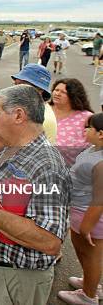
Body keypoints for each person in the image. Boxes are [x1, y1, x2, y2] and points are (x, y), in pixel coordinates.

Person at [0, 85, 71, 305]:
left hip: (9, 281)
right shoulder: (16, 148)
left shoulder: (47, 166)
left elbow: (49, 241)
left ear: (18, 115)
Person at [57, 113, 103, 305]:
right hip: (80, 212)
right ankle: (89, 283)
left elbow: (99, 200)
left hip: (90, 219)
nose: (85, 130)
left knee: (91, 256)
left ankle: (89, 295)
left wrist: (86, 228)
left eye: (89, 128)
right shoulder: (94, 149)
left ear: (100, 134)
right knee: (84, 254)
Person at [10, 64, 57, 143]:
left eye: (22, 85)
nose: (15, 90)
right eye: (15, 85)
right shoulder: (25, 106)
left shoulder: (41, 118)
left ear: (40, 90)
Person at [50, 78, 94, 163]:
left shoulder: (86, 117)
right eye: (56, 90)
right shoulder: (43, 109)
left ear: (73, 96)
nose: (57, 94)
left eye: (63, 92)